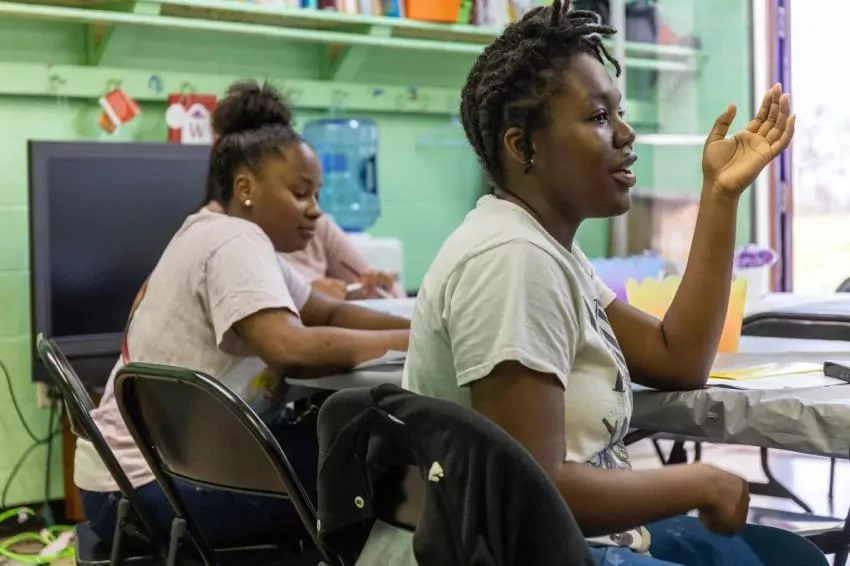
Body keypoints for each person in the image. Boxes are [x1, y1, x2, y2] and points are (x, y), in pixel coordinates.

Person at [401, 2, 800, 565]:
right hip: (531, 553)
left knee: (791, 557)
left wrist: (721, 193)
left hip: (580, 541)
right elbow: (531, 491)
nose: (626, 133)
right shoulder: (511, 258)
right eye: (597, 117)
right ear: (522, 146)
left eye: (619, 113)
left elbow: (677, 358)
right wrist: (699, 482)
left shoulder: (548, 249)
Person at [75, 80, 410, 549]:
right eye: (301, 193)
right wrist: (409, 343)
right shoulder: (234, 240)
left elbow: (330, 313)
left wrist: (422, 326)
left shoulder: (223, 234)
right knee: (379, 463)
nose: (316, 212)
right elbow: (290, 349)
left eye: (317, 195)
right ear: (246, 188)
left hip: (129, 481)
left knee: (346, 449)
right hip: (155, 486)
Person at [284, 215, 407, 300]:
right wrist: (307, 299)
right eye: (299, 194)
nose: (314, 210)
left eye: (316, 195)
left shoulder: (317, 227)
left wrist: (380, 292)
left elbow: (398, 299)